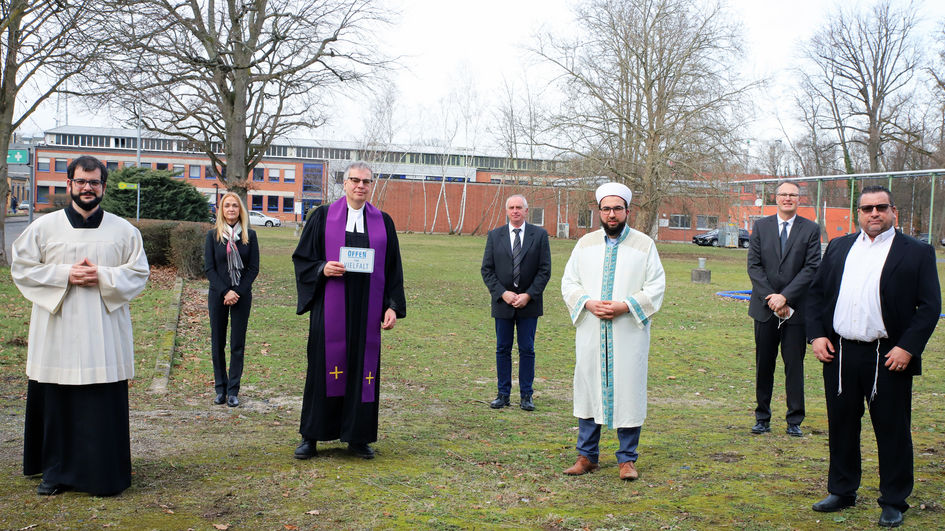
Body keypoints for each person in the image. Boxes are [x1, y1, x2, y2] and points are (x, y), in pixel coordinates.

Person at [11, 155, 149, 496]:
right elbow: (22, 268)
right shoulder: (44, 228)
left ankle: (103, 474)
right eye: (81, 181)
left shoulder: (123, 231)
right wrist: (64, 274)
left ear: (103, 185)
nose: (88, 187)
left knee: (100, 404)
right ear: (69, 183)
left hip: (104, 331)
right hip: (57, 330)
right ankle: (54, 473)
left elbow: (138, 273)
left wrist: (101, 275)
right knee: (58, 402)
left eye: (94, 182)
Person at [806, 185, 940, 527]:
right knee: (842, 424)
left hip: (889, 354)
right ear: (858, 213)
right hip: (840, 352)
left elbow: (929, 307)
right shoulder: (838, 247)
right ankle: (842, 490)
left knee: (892, 429)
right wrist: (817, 335)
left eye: (881, 207)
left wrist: (908, 347)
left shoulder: (916, 252)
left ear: (893, 210)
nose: (874, 213)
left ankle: (894, 499)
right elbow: (818, 295)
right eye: (867, 208)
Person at [292, 161, 406, 460]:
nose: (360, 186)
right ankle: (311, 436)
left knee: (362, 372)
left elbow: (394, 269)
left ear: (372, 185)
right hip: (330, 310)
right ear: (344, 184)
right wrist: (322, 268)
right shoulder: (322, 217)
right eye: (354, 180)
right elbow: (303, 259)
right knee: (321, 369)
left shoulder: (384, 222)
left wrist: (392, 306)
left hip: (367, 312)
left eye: (366, 181)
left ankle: (358, 437)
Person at [560, 182, 665, 481]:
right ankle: (586, 456)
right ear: (599, 212)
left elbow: (655, 287)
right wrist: (588, 303)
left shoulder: (644, 245)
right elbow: (570, 283)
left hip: (627, 332)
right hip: (592, 330)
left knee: (628, 390)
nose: (612, 214)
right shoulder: (585, 244)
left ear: (627, 211)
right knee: (589, 388)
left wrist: (625, 306)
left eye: (617, 208)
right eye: (606, 209)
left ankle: (627, 460)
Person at [746, 181, 821, 437]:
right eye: (783, 194)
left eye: (793, 195)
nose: (788, 198)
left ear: (799, 199)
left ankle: (794, 420)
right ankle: (762, 417)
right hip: (765, 309)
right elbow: (754, 266)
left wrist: (786, 297)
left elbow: (812, 268)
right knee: (763, 365)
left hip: (796, 310)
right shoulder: (761, 226)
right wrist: (772, 298)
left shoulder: (810, 229)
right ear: (775, 198)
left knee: (794, 366)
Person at [480, 194, 552, 411]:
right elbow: (487, 270)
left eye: (519, 207)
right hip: (503, 304)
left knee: (527, 349)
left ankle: (526, 395)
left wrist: (528, 295)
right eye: (511, 207)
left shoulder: (539, 235)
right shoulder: (495, 236)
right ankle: (503, 394)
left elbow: (544, 270)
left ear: (526, 211)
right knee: (502, 349)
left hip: (529, 304)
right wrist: (502, 293)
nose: (515, 211)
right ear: (507, 210)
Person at [204, 192, 259, 407]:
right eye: (227, 205)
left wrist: (237, 292)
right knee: (217, 343)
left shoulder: (250, 236)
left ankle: (233, 390)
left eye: (235, 205)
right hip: (218, 295)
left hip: (242, 296)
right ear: (221, 209)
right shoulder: (213, 236)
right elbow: (209, 268)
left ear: (240, 210)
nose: (231, 209)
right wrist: (225, 291)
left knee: (237, 343)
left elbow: (253, 268)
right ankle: (220, 389)